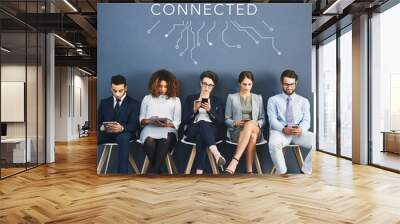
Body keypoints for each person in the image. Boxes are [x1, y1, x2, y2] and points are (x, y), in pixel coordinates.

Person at [267, 69, 313, 175]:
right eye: (286, 84)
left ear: (296, 83)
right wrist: (283, 129)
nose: (289, 87)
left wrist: (301, 129)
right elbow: (272, 120)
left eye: (292, 84)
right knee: (273, 144)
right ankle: (282, 173)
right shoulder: (273, 100)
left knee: (317, 142)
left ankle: (305, 171)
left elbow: (306, 121)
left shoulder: (304, 101)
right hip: (280, 131)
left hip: (298, 133)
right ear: (281, 83)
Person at [181, 71, 225, 174]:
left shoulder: (217, 101)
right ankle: (217, 154)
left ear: (213, 86)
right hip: (193, 130)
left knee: (201, 135)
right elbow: (184, 120)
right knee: (201, 122)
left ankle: (199, 171)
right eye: (205, 84)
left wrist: (210, 111)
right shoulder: (191, 98)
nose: (207, 87)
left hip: (212, 132)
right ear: (201, 83)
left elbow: (220, 122)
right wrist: (194, 110)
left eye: (210, 85)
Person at [139, 69, 181, 174]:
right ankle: (157, 171)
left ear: (170, 86)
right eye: (160, 86)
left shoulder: (176, 100)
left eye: (165, 86)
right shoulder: (147, 99)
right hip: (149, 129)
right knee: (148, 141)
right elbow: (141, 120)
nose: (162, 89)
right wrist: (151, 121)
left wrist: (168, 124)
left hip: (168, 130)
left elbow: (177, 122)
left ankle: (154, 172)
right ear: (155, 85)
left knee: (165, 140)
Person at [224, 71, 266, 174]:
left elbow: (263, 119)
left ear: (252, 83)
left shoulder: (258, 98)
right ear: (239, 83)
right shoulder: (231, 97)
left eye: (249, 84)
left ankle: (234, 161)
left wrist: (255, 123)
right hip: (238, 132)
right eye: (244, 84)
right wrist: (235, 122)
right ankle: (249, 172)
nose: (247, 87)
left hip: (256, 129)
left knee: (250, 125)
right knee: (252, 136)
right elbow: (226, 120)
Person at [97, 74, 140, 174]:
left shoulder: (134, 103)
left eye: (120, 90)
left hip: (125, 134)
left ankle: (122, 175)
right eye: (114, 90)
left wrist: (122, 128)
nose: (117, 93)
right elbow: (97, 123)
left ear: (126, 88)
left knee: (123, 138)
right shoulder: (104, 103)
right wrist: (102, 127)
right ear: (111, 88)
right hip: (107, 134)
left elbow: (135, 125)